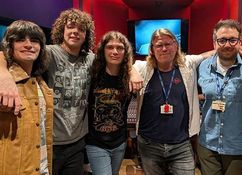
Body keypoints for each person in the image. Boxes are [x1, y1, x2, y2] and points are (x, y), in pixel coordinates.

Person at [0, 9, 95, 175]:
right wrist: (3, 75)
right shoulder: (48, 52)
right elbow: (4, 54)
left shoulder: (91, 59)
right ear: (62, 30)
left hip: (77, 142)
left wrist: (133, 71)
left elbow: (120, 61)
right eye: (71, 26)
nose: (75, 31)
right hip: (50, 141)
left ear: (86, 34)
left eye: (81, 29)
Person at [133, 28, 215, 175]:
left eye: (168, 44)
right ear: (151, 49)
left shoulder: (187, 64)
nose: (164, 48)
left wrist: (241, 48)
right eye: (158, 45)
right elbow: (124, 65)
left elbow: (208, 54)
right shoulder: (142, 67)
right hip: (149, 145)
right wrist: (131, 72)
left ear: (176, 46)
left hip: (181, 145)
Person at [197, 19, 242, 175]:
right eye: (222, 40)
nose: (227, 45)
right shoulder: (203, 66)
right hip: (207, 144)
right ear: (214, 43)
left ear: (239, 41)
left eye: (232, 40)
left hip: (238, 146)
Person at [0, 20, 53, 175]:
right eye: (20, 40)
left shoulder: (40, 82)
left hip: (42, 166)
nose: (28, 45)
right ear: (9, 46)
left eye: (34, 41)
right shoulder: (4, 83)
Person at [85, 31, 133, 175]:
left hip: (119, 142)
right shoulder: (92, 74)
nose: (115, 51)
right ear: (102, 50)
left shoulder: (129, 77)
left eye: (119, 48)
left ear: (125, 52)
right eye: (110, 47)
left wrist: (133, 70)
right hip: (96, 142)